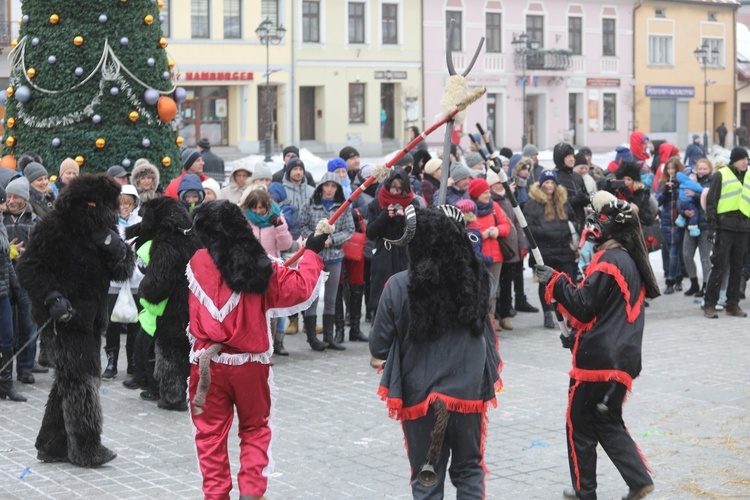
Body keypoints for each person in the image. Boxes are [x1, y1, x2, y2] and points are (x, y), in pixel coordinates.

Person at [186, 201, 328, 500]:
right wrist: (312, 252)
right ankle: (251, 492)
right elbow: (300, 287)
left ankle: (215, 495)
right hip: (249, 365)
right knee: (254, 429)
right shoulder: (260, 265)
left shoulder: (196, 262)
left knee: (209, 435)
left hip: (206, 365)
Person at [369, 205, 502, 499]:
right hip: (467, 391)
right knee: (469, 469)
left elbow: (378, 346)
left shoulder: (397, 286)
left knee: (426, 475)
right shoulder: (481, 282)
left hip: (419, 394)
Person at [536, 190, 658, 500]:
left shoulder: (609, 261)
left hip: (599, 361)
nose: (593, 224)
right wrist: (576, 335)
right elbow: (603, 313)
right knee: (606, 420)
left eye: (601, 219)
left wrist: (555, 280)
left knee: (579, 425)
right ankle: (638, 479)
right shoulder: (624, 259)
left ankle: (584, 490)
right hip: (618, 358)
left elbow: (583, 306)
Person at [17, 174, 133, 466]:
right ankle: (86, 448)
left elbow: (121, 271)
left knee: (69, 378)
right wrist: (52, 297)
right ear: (90, 204)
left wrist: (118, 250)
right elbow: (29, 268)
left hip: (91, 317)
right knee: (81, 379)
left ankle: (52, 443)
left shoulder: (102, 229)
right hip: (62, 318)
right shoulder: (55, 226)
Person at [124, 197, 201, 409]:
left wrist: (144, 291)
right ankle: (190, 392)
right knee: (188, 351)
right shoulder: (192, 237)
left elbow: (157, 284)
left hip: (171, 310)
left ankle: (172, 397)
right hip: (195, 306)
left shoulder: (165, 243)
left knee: (170, 353)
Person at [299, 172, 355, 351]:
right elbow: (303, 226)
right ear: (321, 187)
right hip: (314, 256)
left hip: (334, 256)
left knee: (331, 297)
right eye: (326, 185)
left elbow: (349, 229)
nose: (329, 189)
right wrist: (315, 240)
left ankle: (329, 336)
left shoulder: (343, 206)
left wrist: (333, 239)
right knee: (313, 296)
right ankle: (312, 337)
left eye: (333, 186)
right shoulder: (310, 204)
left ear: (337, 188)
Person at [3, 177, 47, 384]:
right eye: (8, 196)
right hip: (4, 281)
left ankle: (25, 369)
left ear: (24, 199)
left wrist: (25, 254)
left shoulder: (35, 221)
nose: (11, 201)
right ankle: (6, 370)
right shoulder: (1, 220)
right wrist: (9, 253)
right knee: (7, 330)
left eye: (15, 197)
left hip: (27, 281)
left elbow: (44, 251)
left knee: (29, 326)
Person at [523, 170, 578, 329]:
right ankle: (548, 313)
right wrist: (544, 232)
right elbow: (529, 227)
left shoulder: (563, 201)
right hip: (544, 251)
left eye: (552, 183)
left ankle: (568, 313)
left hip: (564, 250)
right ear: (541, 185)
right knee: (546, 284)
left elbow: (573, 219)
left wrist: (570, 231)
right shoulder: (533, 204)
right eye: (546, 183)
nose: (549, 186)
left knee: (567, 282)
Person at [241, 189, 293, 355]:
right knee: (254, 310)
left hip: (271, 268)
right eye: (254, 207)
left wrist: (279, 226)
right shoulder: (243, 219)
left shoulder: (277, 217)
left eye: (261, 208)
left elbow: (286, 245)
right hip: (250, 269)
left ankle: (272, 345)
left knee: (272, 310)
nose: (258, 211)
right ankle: (254, 344)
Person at [703, 146, 750, 318]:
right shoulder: (721, 175)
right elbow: (711, 202)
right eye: (742, 159)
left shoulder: (749, 176)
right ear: (734, 160)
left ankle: (733, 304)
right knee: (719, 266)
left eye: (747, 159)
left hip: (743, 228)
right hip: (724, 228)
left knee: (738, 267)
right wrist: (712, 226)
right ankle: (710, 304)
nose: (745, 162)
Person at [366, 168, 420, 319]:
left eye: (400, 190)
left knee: (405, 294)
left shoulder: (412, 203)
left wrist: (404, 219)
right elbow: (370, 233)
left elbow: (418, 232)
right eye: (393, 188)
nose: (396, 193)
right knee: (382, 295)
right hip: (384, 253)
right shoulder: (376, 204)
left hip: (405, 255)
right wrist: (384, 216)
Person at [102, 185, 143, 381]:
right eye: (121, 203)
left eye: (128, 203)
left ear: (135, 203)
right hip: (114, 282)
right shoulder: (109, 224)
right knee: (112, 324)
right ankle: (111, 361)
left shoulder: (141, 224)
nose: (124, 207)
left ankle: (133, 362)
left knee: (135, 324)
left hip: (136, 281)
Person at [487, 169, 529, 331]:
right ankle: (495, 317)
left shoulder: (508, 199)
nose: (499, 186)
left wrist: (522, 244)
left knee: (507, 286)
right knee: (495, 286)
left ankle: (504, 316)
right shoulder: (490, 202)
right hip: (498, 249)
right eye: (495, 183)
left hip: (511, 250)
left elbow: (518, 223)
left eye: (500, 182)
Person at [468, 177, 511, 330]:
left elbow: (506, 226)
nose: (489, 195)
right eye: (485, 192)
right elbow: (465, 230)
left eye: (488, 192)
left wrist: (497, 230)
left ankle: (490, 321)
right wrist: (482, 235)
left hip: (496, 256)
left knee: (493, 290)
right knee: (478, 289)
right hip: (477, 255)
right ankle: (480, 319)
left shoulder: (495, 207)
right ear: (476, 194)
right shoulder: (469, 209)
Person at [281, 157, 316, 336]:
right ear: (288, 172)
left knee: (309, 280)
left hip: (309, 237)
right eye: (294, 169)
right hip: (290, 241)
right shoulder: (283, 190)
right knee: (291, 282)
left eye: (300, 169)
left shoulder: (311, 190)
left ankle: (309, 320)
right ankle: (293, 319)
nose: (298, 172)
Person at [0, 185, 26, 401]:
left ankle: (6, 384)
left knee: (8, 337)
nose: (4, 206)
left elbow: (5, 260)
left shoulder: (0, 225)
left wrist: (15, 287)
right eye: (2, 202)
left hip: (3, 291)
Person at [682, 158, 713, 297]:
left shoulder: (712, 182)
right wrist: (684, 212)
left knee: (705, 258)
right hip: (691, 224)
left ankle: (707, 285)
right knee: (687, 255)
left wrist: (695, 195)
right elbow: (681, 199)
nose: (701, 171)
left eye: (704, 169)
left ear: (710, 170)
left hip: (705, 225)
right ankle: (694, 283)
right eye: (699, 168)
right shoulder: (691, 180)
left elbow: (711, 199)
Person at [655, 158, 685, 294]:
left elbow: (686, 200)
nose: (671, 171)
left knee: (674, 252)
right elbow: (656, 201)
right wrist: (666, 192)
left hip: (679, 221)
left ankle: (670, 281)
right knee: (672, 252)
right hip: (666, 222)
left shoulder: (683, 183)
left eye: (674, 169)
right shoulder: (662, 183)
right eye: (669, 169)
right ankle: (678, 278)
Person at [553, 143, 590, 231]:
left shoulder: (577, 176)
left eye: (572, 156)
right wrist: (574, 199)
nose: (572, 159)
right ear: (560, 158)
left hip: (580, 223)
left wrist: (585, 199)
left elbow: (586, 196)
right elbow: (553, 203)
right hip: (563, 225)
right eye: (568, 156)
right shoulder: (554, 177)